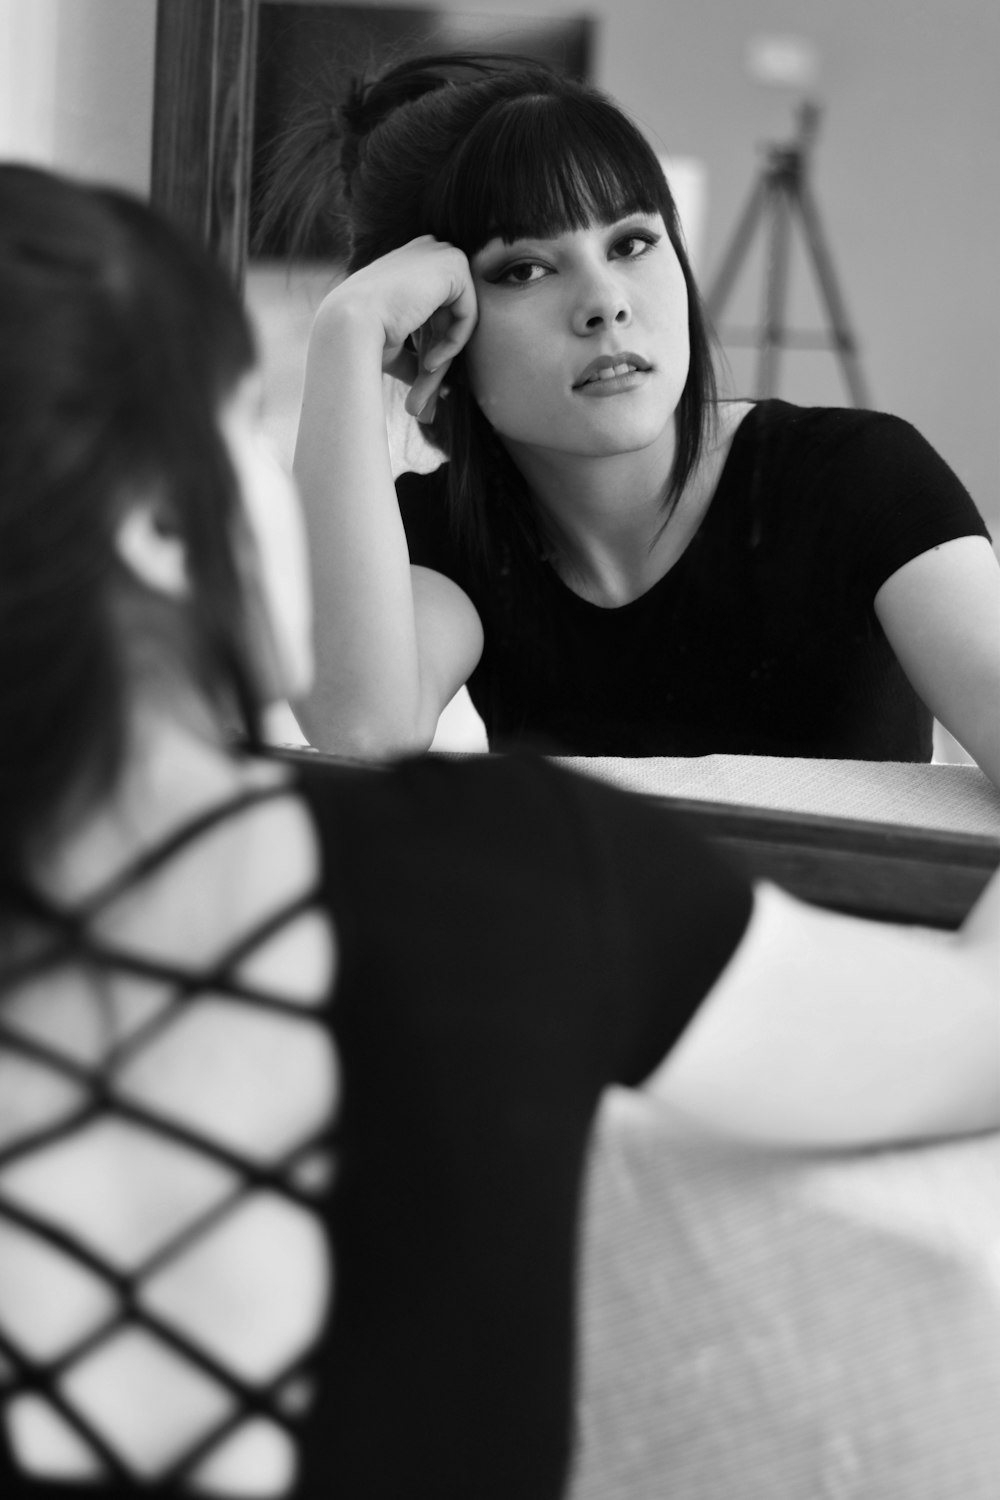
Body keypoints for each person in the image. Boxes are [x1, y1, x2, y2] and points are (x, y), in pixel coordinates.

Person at [0, 165, 996, 1500]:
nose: (603, 305)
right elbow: (974, 1037)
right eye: (253, 413)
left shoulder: (841, 476)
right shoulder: (502, 881)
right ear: (164, 525)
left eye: (636, 245)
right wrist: (350, 347)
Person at [271, 51, 1000, 772]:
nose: (606, 302)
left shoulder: (863, 478)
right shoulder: (452, 536)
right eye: (524, 268)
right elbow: (362, 728)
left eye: (632, 243)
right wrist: (349, 328)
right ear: (435, 325)